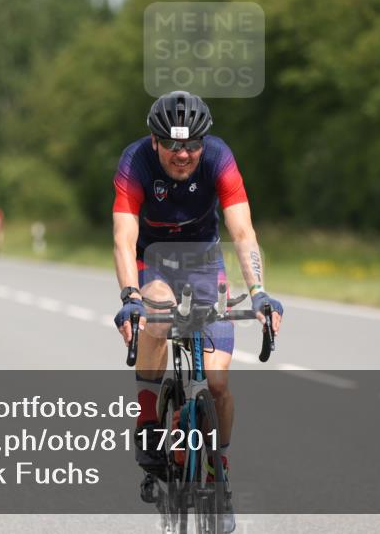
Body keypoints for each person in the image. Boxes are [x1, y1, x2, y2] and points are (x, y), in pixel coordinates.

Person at [112, 90, 284, 532]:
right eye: (172, 145)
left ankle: (217, 470)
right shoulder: (135, 162)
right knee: (159, 316)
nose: (183, 154)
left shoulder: (219, 158)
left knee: (219, 381)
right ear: (155, 142)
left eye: (191, 146)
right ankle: (149, 417)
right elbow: (125, 237)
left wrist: (260, 291)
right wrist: (130, 295)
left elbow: (242, 231)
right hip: (156, 260)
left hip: (205, 262)